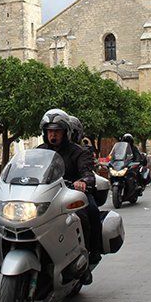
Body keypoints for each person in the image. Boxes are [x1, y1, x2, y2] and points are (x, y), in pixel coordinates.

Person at [37, 109, 101, 270]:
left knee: (89, 212)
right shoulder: (39, 151)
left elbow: (88, 173)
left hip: (71, 195)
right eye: (50, 131)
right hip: (46, 196)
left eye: (57, 131)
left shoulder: (79, 152)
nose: (53, 135)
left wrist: (83, 181)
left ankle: (88, 254)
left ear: (65, 132)